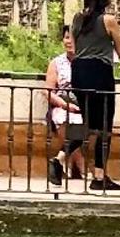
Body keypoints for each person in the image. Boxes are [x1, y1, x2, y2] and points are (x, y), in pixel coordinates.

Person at [50, 0, 120, 191]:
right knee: (103, 126)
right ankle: (98, 175)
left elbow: (74, 49)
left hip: (79, 72)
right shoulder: (108, 20)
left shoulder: (77, 19)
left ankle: (59, 158)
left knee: (88, 125)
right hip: (100, 73)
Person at [43, 29, 88, 183]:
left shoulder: (86, 62)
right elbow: (48, 92)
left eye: (73, 38)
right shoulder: (56, 63)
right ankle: (78, 164)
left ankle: (64, 161)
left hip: (82, 104)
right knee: (65, 119)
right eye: (66, 37)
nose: (69, 41)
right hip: (61, 104)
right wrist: (64, 104)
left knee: (85, 120)